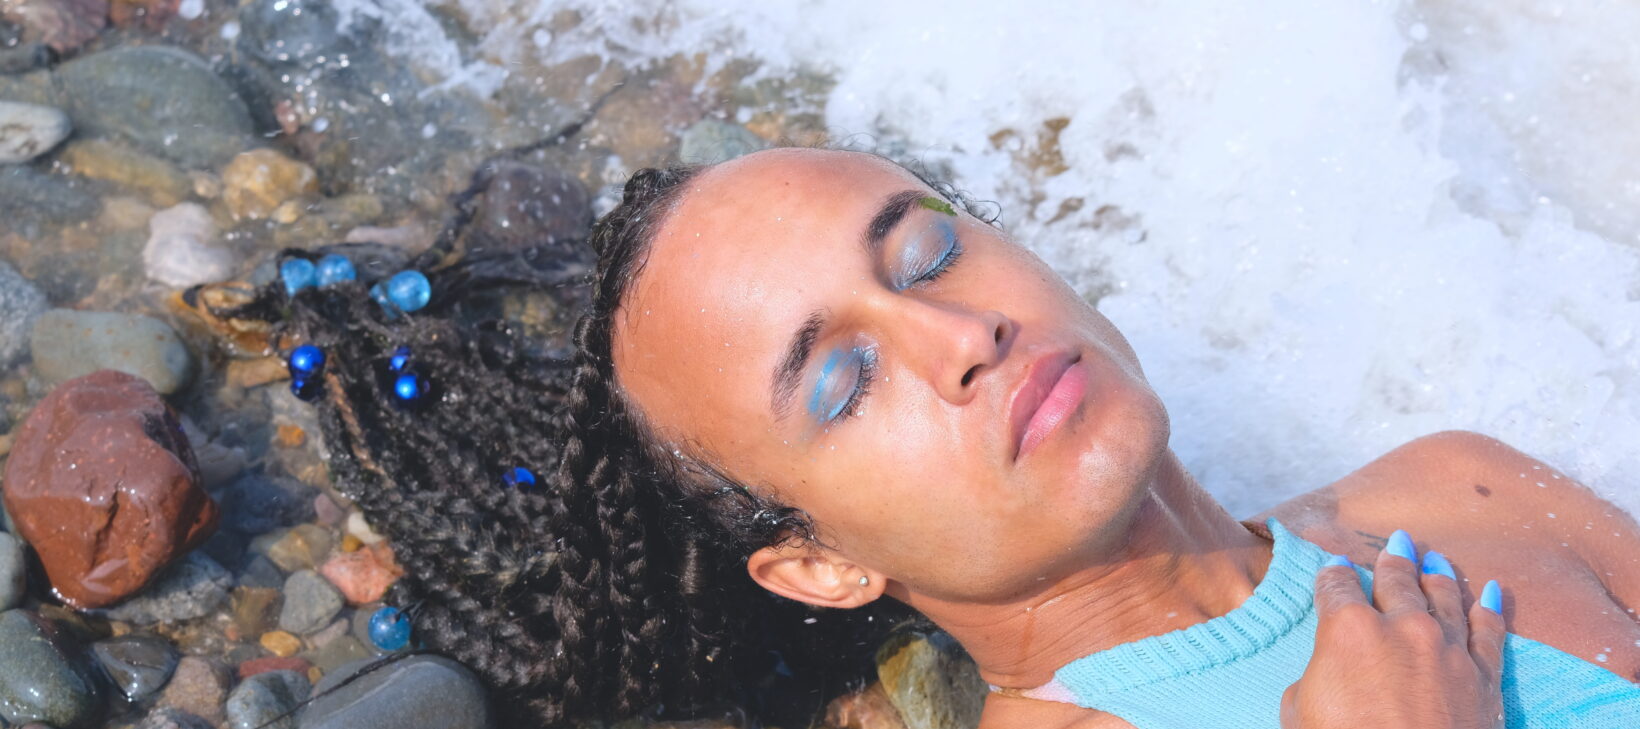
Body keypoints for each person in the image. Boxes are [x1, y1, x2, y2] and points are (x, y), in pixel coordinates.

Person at [236, 147, 1640, 728]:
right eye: (843, 383)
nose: (961, 336)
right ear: (818, 565)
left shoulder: (1456, 480)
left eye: (922, 253)